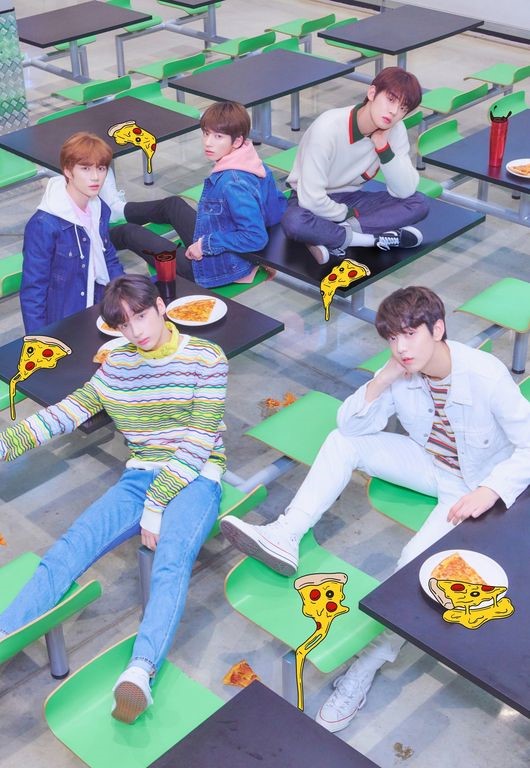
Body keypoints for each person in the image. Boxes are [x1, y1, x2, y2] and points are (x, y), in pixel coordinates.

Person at [220, 285, 530, 732]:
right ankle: (286, 534)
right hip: (430, 463)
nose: (401, 347)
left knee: (411, 570)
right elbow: (350, 426)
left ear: (438, 329)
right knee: (341, 442)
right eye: (392, 338)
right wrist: (382, 379)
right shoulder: (401, 371)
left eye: (410, 334)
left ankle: (367, 665)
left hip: (473, 483)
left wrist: (491, 489)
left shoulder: (485, 375)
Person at [0, 274, 228, 725]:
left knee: (171, 562)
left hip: (197, 475)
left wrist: (156, 506)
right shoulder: (117, 365)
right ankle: (5, 633)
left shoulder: (206, 358)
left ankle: (140, 672)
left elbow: (199, 442)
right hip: (140, 475)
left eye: (141, 316)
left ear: (160, 307)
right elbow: (65, 413)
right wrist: (6, 444)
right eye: (124, 324)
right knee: (70, 547)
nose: (136, 331)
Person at [103, 101, 287, 287]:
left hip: (215, 267)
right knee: (173, 204)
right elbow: (275, 210)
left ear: (237, 141)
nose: (208, 142)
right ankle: (119, 210)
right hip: (227, 249)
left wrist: (204, 245)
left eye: (218, 136)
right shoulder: (251, 161)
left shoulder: (232, 183)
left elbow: (255, 237)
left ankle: (95, 243)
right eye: (206, 133)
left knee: (129, 233)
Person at [281, 67, 430, 265]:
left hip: (352, 199)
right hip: (307, 200)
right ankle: (371, 240)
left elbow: (405, 190)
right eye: (390, 99)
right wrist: (347, 215)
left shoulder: (395, 130)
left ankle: (332, 237)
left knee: (419, 203)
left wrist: (383, 147)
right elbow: (311, 200)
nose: (394, 112)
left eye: (403, 108)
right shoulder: (327, 128)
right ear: (372, 93)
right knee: (295, 222)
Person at [21, 132, 124, 333]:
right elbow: (34, 291)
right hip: (66, 322)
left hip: (100, 308)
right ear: (68, 171)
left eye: (101, 168)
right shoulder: (44, 225)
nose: (95, 177)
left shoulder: (99, 208)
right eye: (85, 168)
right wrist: (39, 341)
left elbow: (108, 257)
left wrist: (127, 298)